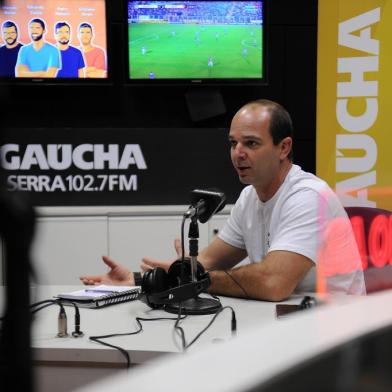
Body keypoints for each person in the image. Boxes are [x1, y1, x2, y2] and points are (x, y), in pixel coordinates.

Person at [80, 100, 366, 300]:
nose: (237, 153)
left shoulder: (307, 198)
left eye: (251, 143)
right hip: (292, 322)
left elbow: (272, 284)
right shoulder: (249, 197)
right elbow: (204, 263)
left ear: (284, 147)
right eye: (233, 143)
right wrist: (137, 282)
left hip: (336, 335)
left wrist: (198, 279)